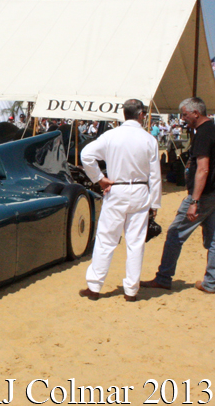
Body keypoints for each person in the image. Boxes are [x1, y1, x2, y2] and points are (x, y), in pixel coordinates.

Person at [78, 99, 161, 302]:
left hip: (116, 189)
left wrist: (99, 179)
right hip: (140, 190)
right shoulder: (149, 139)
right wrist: (155, 203)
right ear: (141, 114)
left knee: (106, 239)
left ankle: (95, 287)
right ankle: (131, 290)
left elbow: (86, 155)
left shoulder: (111, 136)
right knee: (136, 242)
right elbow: (155, 175)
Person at [142, 97, 215, 294]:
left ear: (196, 113)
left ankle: (164, 277)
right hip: (212, 194)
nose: (183, 118)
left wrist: (194, 200)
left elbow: (203, 169)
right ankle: (211, 282)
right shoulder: (211, 129)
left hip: (204, 194)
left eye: (185, 114)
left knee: (175, 233)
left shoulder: (204, 133)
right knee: (214, 239)